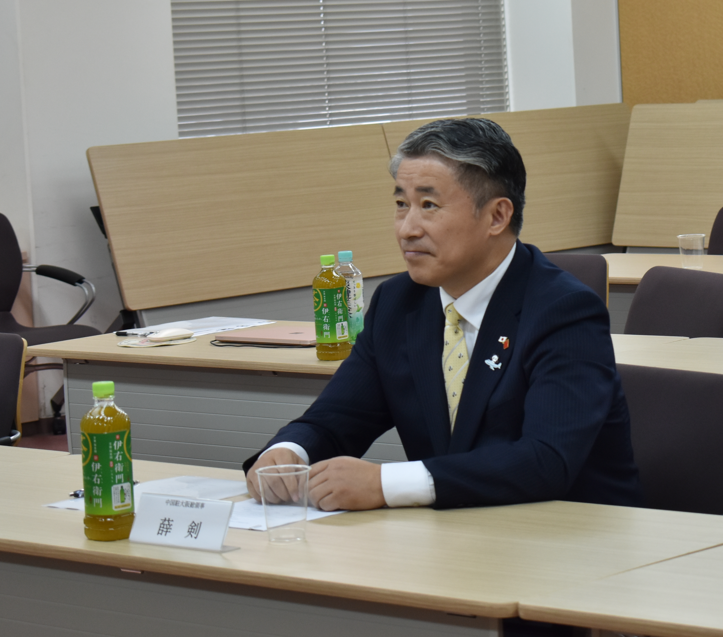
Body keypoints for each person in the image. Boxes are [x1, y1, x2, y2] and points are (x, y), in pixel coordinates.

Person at [244, 117, 643, 514]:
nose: (407, 229)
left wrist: (385, 483)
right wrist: (289, 451)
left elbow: (546, 459)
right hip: (456, 530)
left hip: (569, 532)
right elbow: (337, 418)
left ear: (497, 216)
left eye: (429, 206)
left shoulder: (564, 311)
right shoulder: (398, 302)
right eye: (401, 205)